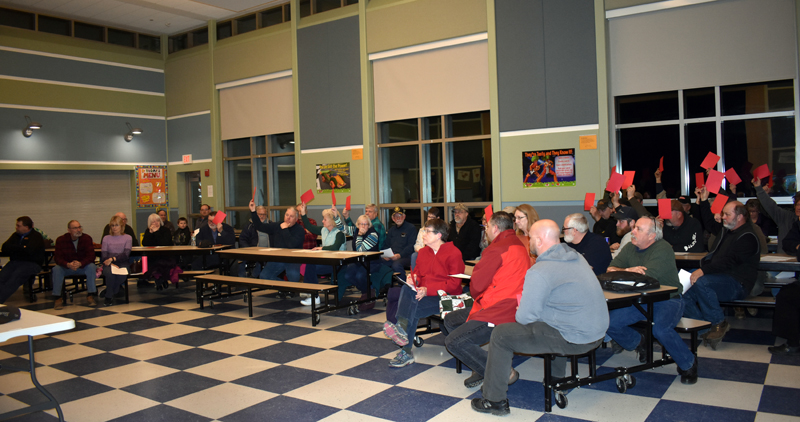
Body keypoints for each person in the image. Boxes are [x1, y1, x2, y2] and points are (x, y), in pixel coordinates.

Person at [471, 220, 608, 416]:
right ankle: (556, 378)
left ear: (538, 239)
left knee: (501, 335)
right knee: (548, 322)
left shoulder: (540, 270)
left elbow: (524, 317)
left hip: (576, 338)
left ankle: (494, 400)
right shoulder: (575, 257)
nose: (528, 242)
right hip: (598, 332)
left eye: (530, 238)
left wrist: (523, 308)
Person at [606, 216, 698, 384]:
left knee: (661, 330)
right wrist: (628, 270)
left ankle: (688, 363)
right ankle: (639, 341)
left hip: (668, 299)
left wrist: (625, 272)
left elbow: (646, 278)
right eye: (634, 228)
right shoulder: (629, 247)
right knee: (609, 322)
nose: (633, 231)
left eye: (638, 229)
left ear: (652, 236)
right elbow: (611, 269)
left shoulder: (663, 249)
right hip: (639, 299)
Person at [441, 211, 528, 388]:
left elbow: (477, 286)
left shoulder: (496, 249)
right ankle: (478, 365)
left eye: (487, 226)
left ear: (495, 228)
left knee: (453, 341)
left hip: (499, 310)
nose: (485, 229)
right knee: (451, 320)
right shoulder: (518, 243)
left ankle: (504, 371)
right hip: (514, 304)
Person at [684, 187, 760, 348]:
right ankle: (702, 326)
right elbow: (709, 223)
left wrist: (703, 270)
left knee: (701, 281)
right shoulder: (728, 230)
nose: (722, 216)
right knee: (684, 284)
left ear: (739, 217)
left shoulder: (748, 236)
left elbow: (729, 262)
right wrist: (704, 201)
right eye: (723, 213)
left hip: (737, 284)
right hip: (720, 278)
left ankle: (718, 322)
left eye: (727, 214)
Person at [383, 218, 464, 368]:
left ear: (439, 235)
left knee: (410, 308)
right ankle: (402, 333)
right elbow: (418, 276)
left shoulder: (454, 253)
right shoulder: (423, 252)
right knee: (408, 290)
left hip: (446, 297)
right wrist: (413, 280)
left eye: (427, 231)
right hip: (424, 294)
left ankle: (404, 346)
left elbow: (454, 285)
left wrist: (428, 290)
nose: (423, 234)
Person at [298, 203, 346, 306]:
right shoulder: (324, 230)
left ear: (332, 221)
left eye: (325, 219)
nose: (322, 221)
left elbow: (335, 247)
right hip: (327, 261)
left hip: (338, 263)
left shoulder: (340, 233)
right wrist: (303, 213)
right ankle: (313, 294)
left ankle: (312, 294)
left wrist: (321, 248)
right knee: (310, 264)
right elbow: (309, 227)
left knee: (311, 266)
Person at [248, 200, 304, 285]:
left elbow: (291, 244)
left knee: (293, 276)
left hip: (293, 258)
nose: (288, 218)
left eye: (291, 216)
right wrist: (253, 211)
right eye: (287, 215)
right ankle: (286, 288)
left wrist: (285, 229)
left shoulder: (299, 229)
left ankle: (290, 288)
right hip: (278, 257)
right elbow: (260, 226)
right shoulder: (278, 225)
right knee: (264, 276)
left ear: (296, 219)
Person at [335, 209, 381, 305]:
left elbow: (360, 250)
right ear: (357, 225)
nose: (363, 226)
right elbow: (341, 228)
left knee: (360, 276)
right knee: (347, 275)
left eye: (365, 224)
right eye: (361, 224)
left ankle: (368, 292)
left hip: (372, 262)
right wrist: (336, 216)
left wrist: (360, 235)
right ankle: (366, 291)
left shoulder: (373, 235)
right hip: (359, 261)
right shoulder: (355, 230)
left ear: (369, 225)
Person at [52, 220, 97, 309]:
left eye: (79, 227)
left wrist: (81, 263)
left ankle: (90, 295)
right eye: (75, 228)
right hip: (67, 267)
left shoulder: (86, 238)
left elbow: (91, 256)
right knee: (56, 269)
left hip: (82, 266)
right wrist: (67, 264)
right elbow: (57, 258)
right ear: (69, 230)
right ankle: (57, 298)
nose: (78, 230)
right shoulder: (61, 240)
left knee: (92, 266)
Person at [0, 216, 45, 304]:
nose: (16, 227)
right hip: (15, 262)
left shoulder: (36, 236)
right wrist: (22, 247)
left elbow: (29, 251)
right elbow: (5, 247)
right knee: (2, 277)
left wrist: (15, 249)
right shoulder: (15, 235)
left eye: (18, 226)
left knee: (14, 278)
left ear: (26, 227)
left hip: (31, 264)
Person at [753, 176, 800, 254]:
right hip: (783, 261)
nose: (799, 207)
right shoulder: (785, 217)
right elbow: (771, 207)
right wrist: (759, 189)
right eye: (797, 204)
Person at [101, 215, 132, 306]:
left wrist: (113, 259)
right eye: (112, 225)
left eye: (117, 225)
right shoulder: (106, 238)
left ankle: (110, 290)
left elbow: (126, 254)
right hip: (108, 263)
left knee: (121, 276)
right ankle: (108, 297)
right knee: (110, 274)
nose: (114, 228)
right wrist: (110, 262)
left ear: (122, 226)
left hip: (123, 263)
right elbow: (104, 255)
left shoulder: (128, 238)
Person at [380, 206, 418, 281]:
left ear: (404, 216)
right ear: (393, 218)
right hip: (392, 256)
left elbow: (411, 246)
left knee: (396, 265)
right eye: (395, 216)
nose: (398, 218)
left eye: (400, 215)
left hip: (406, 256)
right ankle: (385, 286)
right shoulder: (391, 230)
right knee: (379, 263)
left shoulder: (411, 228)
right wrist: (384, 255)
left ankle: (403, 285)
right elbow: (386, 245)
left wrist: (399, 255)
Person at [142, 213, 176, 290]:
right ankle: (159, 281)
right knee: (152, 263)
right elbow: (145, 243)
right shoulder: (148, 231)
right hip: (153, 255)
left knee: (161, 263)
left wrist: (156, 232)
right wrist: (150, 234)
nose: (156, 223)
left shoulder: (165, 230)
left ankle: (162, 280)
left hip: (165, 255)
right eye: (153, 221)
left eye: (157, 221)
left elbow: (164, 242)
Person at [237, 206, 270, 278]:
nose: (261, 216)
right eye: (259, 214)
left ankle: (255, 277)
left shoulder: (270, 225)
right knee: (241, 261)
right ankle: (242, 282)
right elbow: (242, 239)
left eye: (263, 214)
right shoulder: (249, 226)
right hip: (253, 251)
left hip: (268, 252)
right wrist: (249, 250)